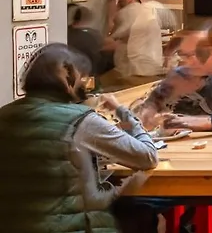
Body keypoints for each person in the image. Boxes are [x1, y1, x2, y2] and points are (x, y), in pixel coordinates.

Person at [117, 29, 212, 233]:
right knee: (127, 202)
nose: (188, 61)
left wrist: (200, 123)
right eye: (184, 55)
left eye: (195, 55)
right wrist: (150, 119)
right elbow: (145, 113)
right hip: (176, 169)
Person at [0, 43, 159, 233]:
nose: (86, 85)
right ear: (69, 78)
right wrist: (123, 112)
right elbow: (147, 157)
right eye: (83, 77)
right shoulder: (81, 120)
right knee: (143, 214)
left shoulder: (4, 114)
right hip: (69, 228)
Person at [108, 0, 163, 82]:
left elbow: (113, 37)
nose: (119, 1)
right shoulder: (148, 10)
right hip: (153, 65)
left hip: (135, 68)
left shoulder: (126, 13)